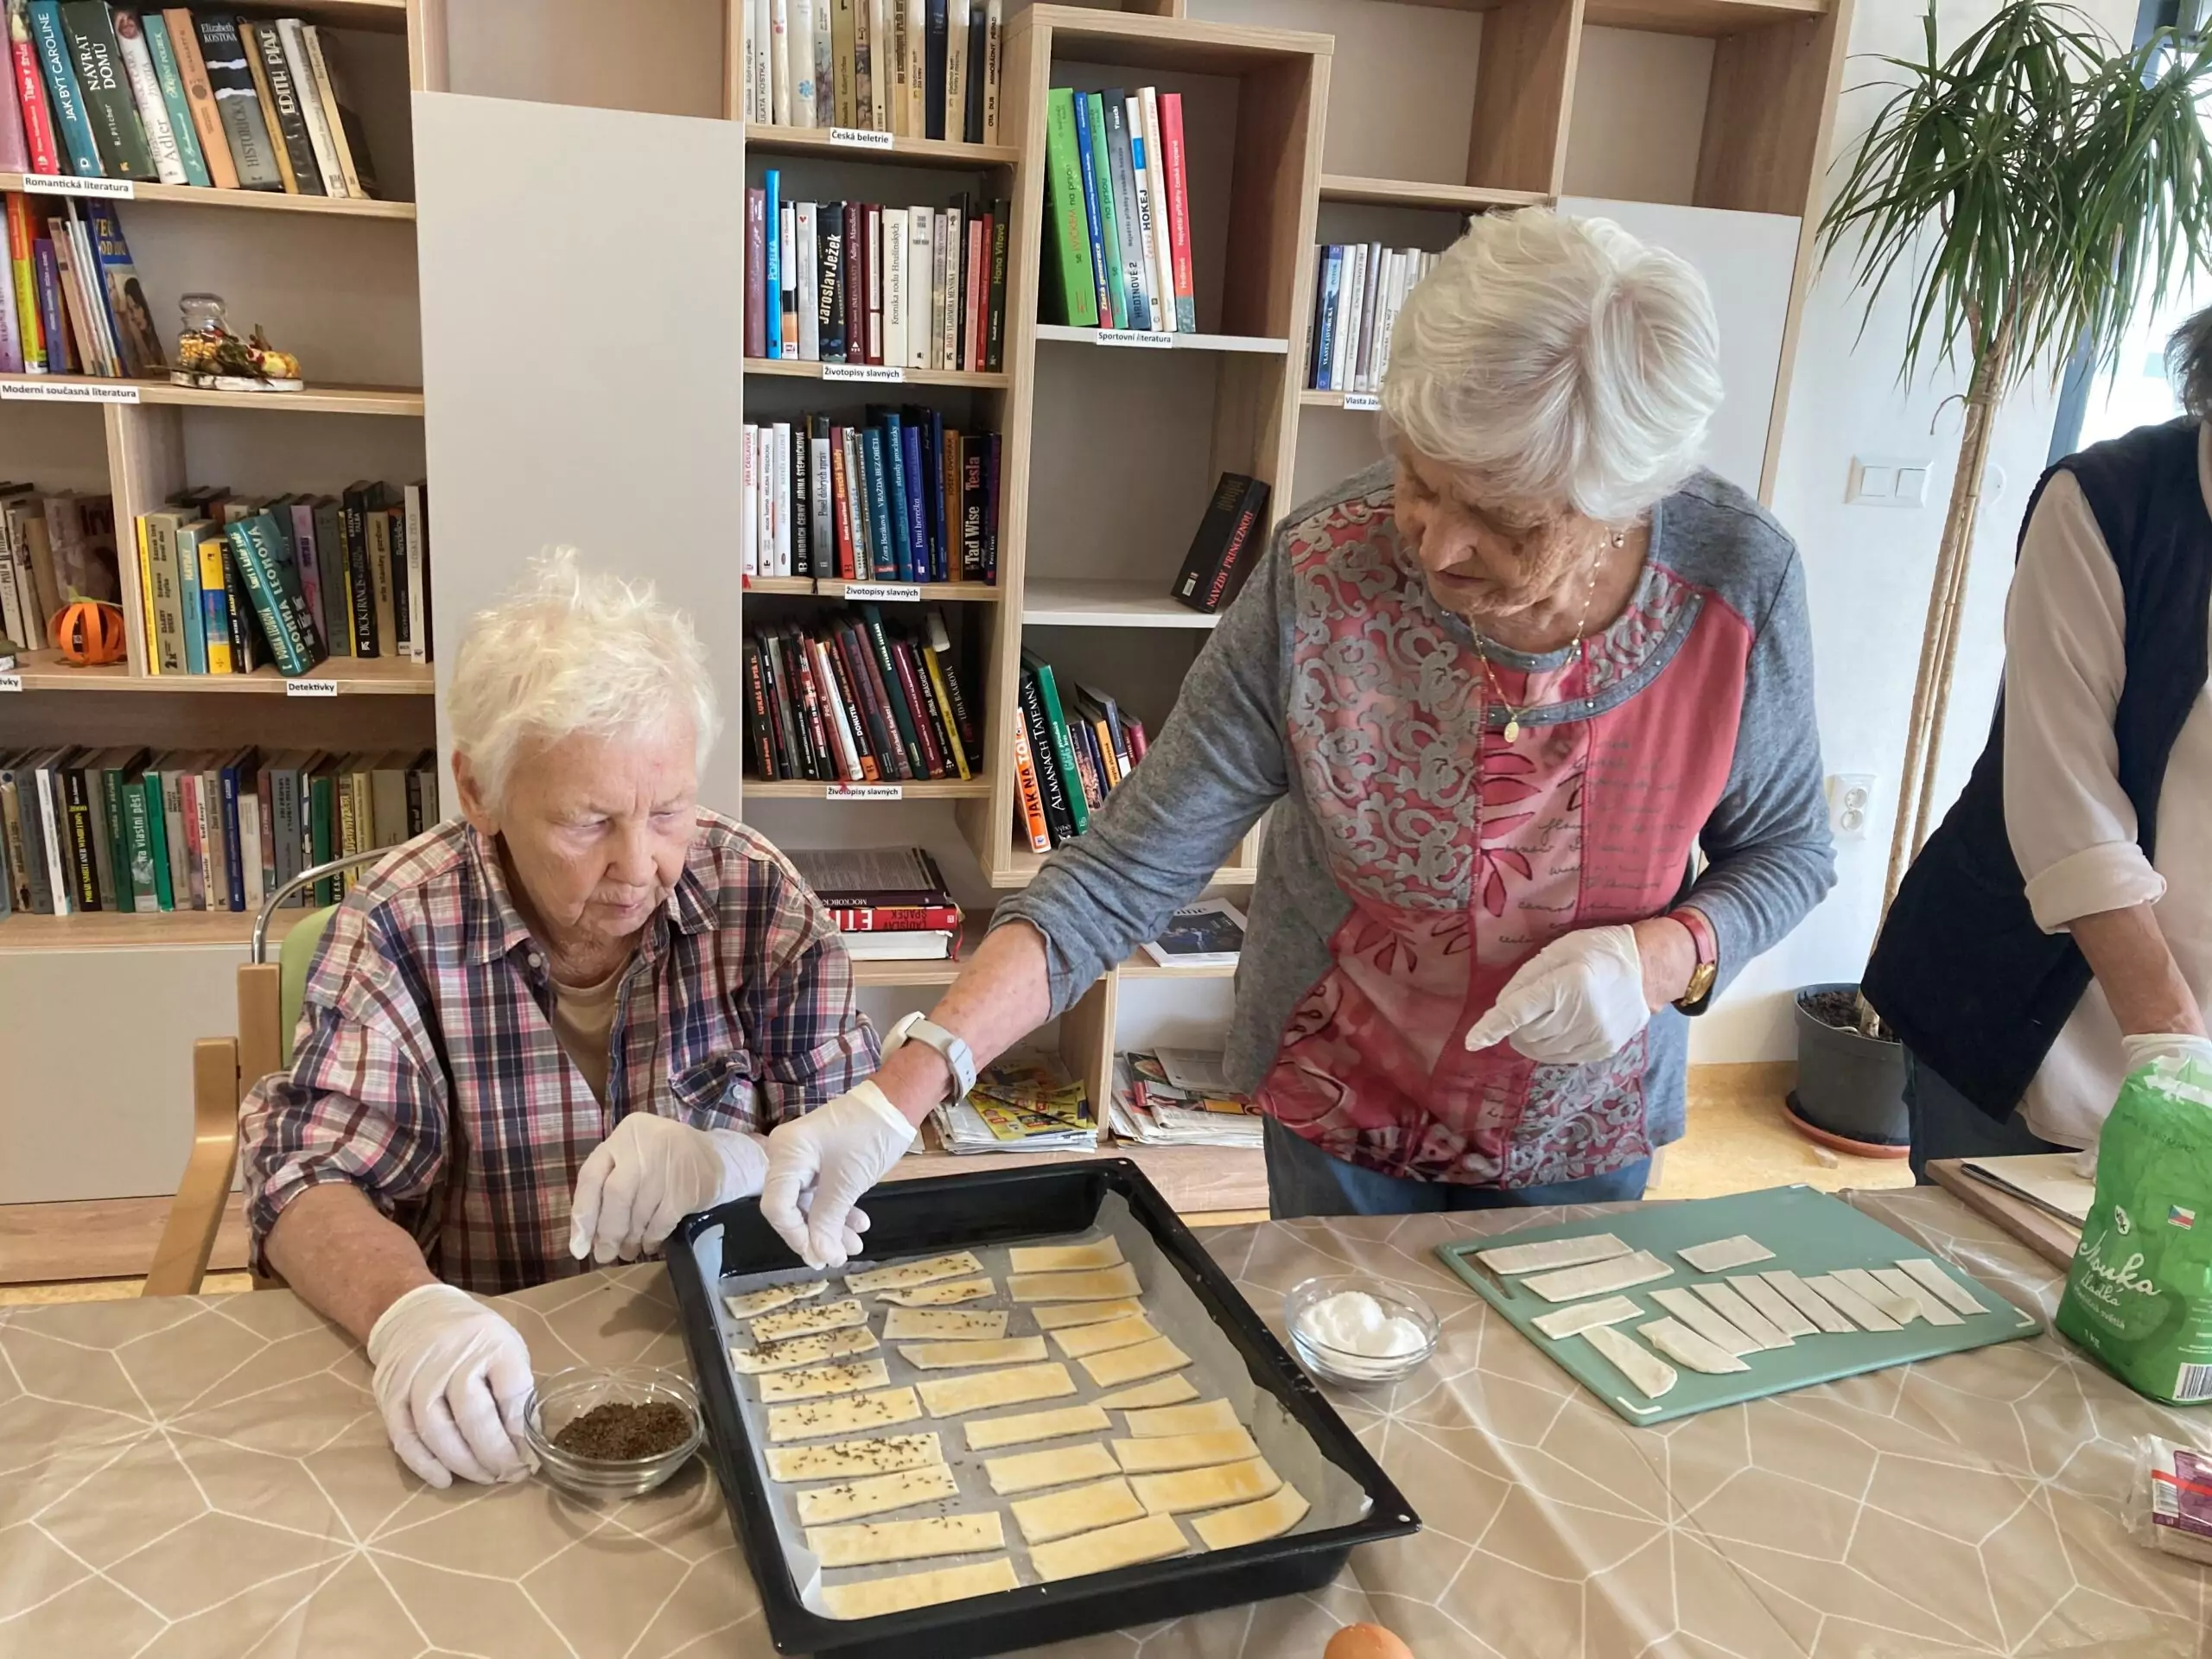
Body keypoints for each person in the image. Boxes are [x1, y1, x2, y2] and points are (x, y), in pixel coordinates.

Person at [760, 209, 1837, 1267]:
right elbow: (1125, 870)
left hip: (1580, 1118)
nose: (1438, 549)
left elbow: (1788, 851)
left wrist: (1663, 955)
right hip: (1340, 1094)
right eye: (1419, 481)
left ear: (1621, 502)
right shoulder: (1327, 571)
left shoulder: (1736, 581)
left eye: (1504, 521)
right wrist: (903, 1090)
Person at [239, 552, 876, 1488]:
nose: (641, 866)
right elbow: (308, 1176)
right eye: (588, 822)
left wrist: (732, 1166)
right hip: (498, 1385)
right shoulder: (400, 925)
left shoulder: (759, 902)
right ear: (479, 793)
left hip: (732, 1356)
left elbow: (854, 1161)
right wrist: (408, 1313)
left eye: (668, 811)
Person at [1866, 308, 2212, 1176]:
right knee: (1979, 1254)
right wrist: (2175, 1053)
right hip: (2034, 1024)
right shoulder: (2112, 501)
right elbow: (2069, 810)